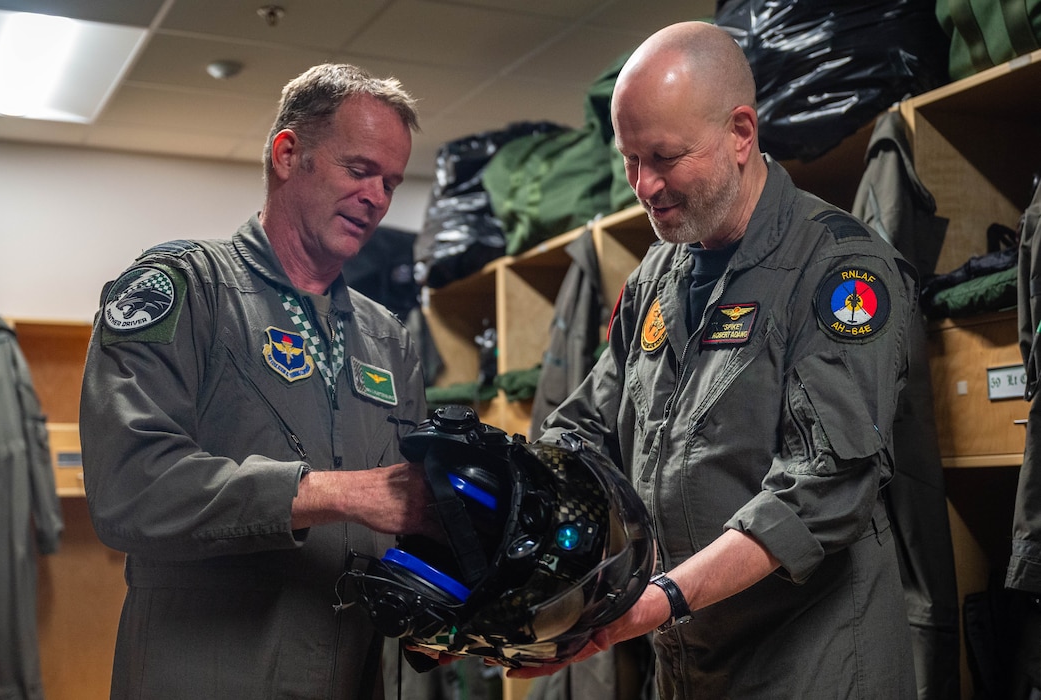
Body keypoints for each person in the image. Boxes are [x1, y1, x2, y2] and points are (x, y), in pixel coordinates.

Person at [511, 21, 919, 698]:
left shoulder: (840, 270)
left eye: (666, 157)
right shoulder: (654, 279)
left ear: (740, 133)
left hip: (813, 668)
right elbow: (585, 435)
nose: (644, 186)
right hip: (690, 664)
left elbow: (822, 487)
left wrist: (662, 597)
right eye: (629, 159)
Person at [79, 63, 436, 699]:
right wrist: (336, 494)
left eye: (391, 182)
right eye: (359, 171)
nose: (378, 198)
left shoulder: (388, 337)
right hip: (206, 675)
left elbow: (409, 508)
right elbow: (130, 487)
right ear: (287, 153)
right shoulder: (186, 289)